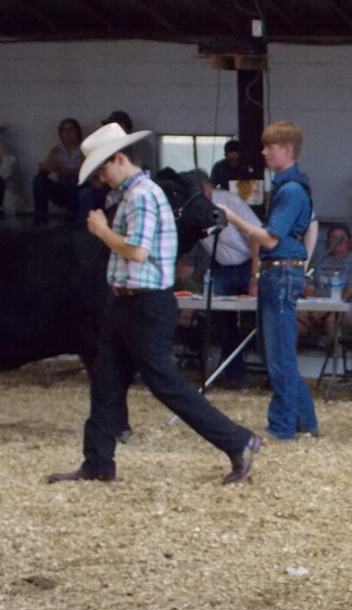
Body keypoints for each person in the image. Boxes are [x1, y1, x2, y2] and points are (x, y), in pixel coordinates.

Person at [46, 123, 261, 485]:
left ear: (119, 158)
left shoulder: (142, 196)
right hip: (127, 301)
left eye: (103, 168)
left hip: (145, 304)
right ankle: (98, 461)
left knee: (165, 383)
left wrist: (101, 230)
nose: (101, 177)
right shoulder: (135, 195)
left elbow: (137, 252)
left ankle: (238, 441)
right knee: (105, 380)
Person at [218, 121, 319, 441]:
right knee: (278, 351)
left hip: (280, 269)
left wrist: (233, 218)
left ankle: (283, 425)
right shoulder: (292, 186)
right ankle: (304, 420)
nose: (263, 152)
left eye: (269, 147)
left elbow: (271, 238)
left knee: (278, 354)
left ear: (286, 150)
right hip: (282, 270)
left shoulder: (290, 190)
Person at [184, 169, 261, 389]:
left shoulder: (229, 201)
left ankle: (273, 376)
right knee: (223, 321)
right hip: (223, 267)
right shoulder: (192, 209)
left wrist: (255, 277)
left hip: (248, 264)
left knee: (262, 319)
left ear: (209, 188)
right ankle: (235, 376)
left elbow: (256, 237)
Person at [32, 117, 83, 224]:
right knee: (38, 180)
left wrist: (60, 169)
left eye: (70, 129)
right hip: (63, 190)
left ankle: (71, 221)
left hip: (79, 190)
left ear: (77, 132)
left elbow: (83, 172)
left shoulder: (84, 149)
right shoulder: (58, 150)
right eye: (64, 130)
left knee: (73, 180)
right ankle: (41, 221)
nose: (67, 133)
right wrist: (45, 168)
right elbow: (48, 167)